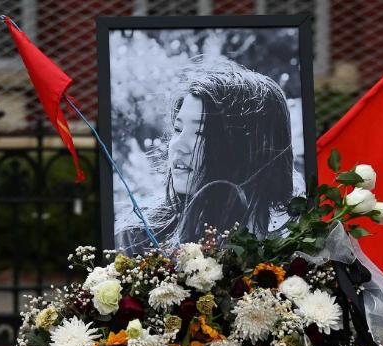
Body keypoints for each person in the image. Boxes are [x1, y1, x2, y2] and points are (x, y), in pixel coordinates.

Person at [115, 60, 299, 254]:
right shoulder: (140, 234)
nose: (178, 145)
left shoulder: (295, 239)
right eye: (178, 129)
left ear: (245, 147)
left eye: (201, 133)